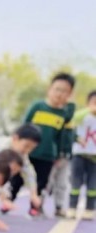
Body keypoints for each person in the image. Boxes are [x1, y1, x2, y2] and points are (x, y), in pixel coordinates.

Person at [23, 72, 75, 216]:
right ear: (49, 89)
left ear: (70, 94)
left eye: (65, 91)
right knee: (18, 177)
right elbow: (25, 125)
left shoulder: (64, 114)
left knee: (42, 182)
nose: (59, 94)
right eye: (57, 89)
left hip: (47, 155)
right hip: (30, 151)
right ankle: (7, 200)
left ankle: (35, 207)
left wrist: (59, 154)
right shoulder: (38, 106)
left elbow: (62, 137)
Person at [0, 124, 43, 214]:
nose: (27, 150)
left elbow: (29, 173)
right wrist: (3, 198)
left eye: (31, 148)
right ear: (15, 138)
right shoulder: (0, 150)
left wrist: (33, 194)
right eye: (26, 146)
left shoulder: (22, 155)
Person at [67, 90, 96, 220]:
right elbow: (74, 119)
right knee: (75, 183)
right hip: (79, 155)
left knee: (93, 186)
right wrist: (88, 109)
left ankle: (89, 209)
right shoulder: (82, 116)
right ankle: (72, 208)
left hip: (94, 158)